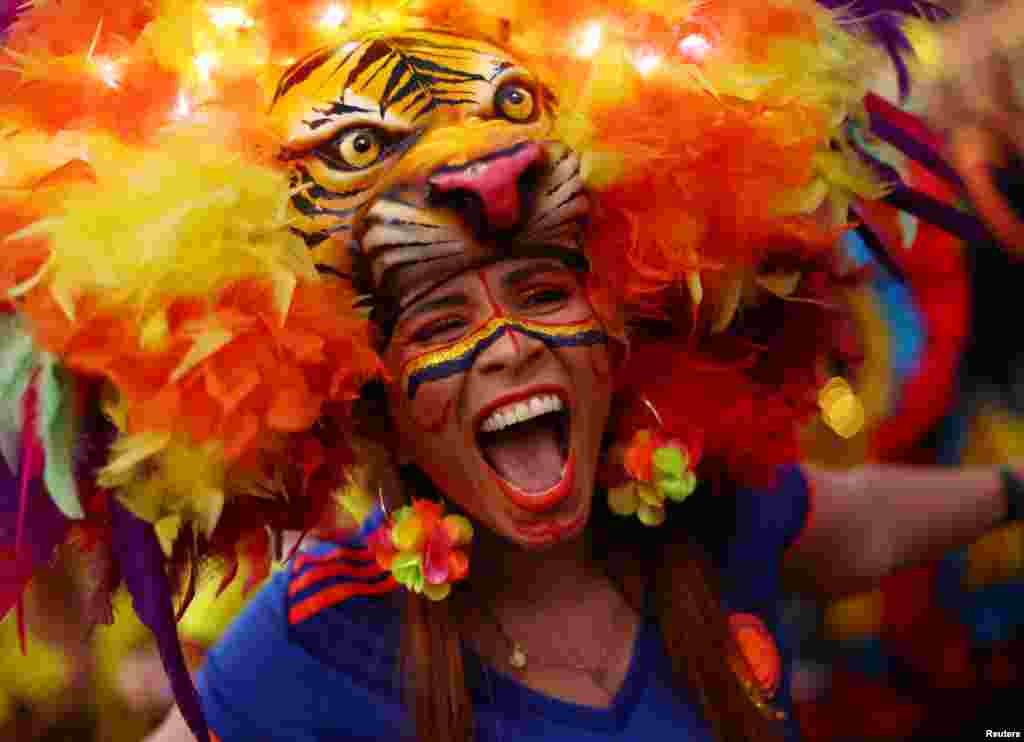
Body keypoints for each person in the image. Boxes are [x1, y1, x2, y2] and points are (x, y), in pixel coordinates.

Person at [0, 1, 1020, 742]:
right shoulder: (318, 632)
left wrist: (1013, 491)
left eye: (541, 295)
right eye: (443, 316)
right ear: (382, 409)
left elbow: (842, 526)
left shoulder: (696, 517)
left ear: (615, 340)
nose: (511, 345)